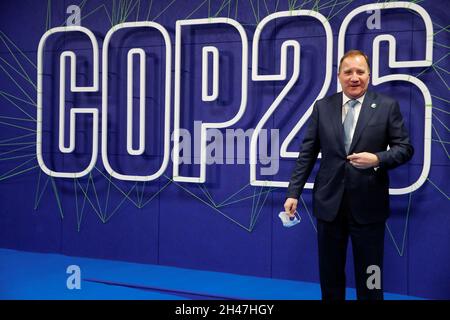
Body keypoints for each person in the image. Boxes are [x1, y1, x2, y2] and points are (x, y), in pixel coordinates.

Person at [284, 50, 413, 300]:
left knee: (371, 275)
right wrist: (293, 192)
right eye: (348, 72)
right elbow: (307, 153)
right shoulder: (323, 107)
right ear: (339, 76)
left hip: (369, 206)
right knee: (330, 275)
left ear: (369, 75)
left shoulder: (387, 106)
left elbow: (404, 149)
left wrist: (377, 158)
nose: (355, 77)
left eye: (360, 72)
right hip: (329, 205)